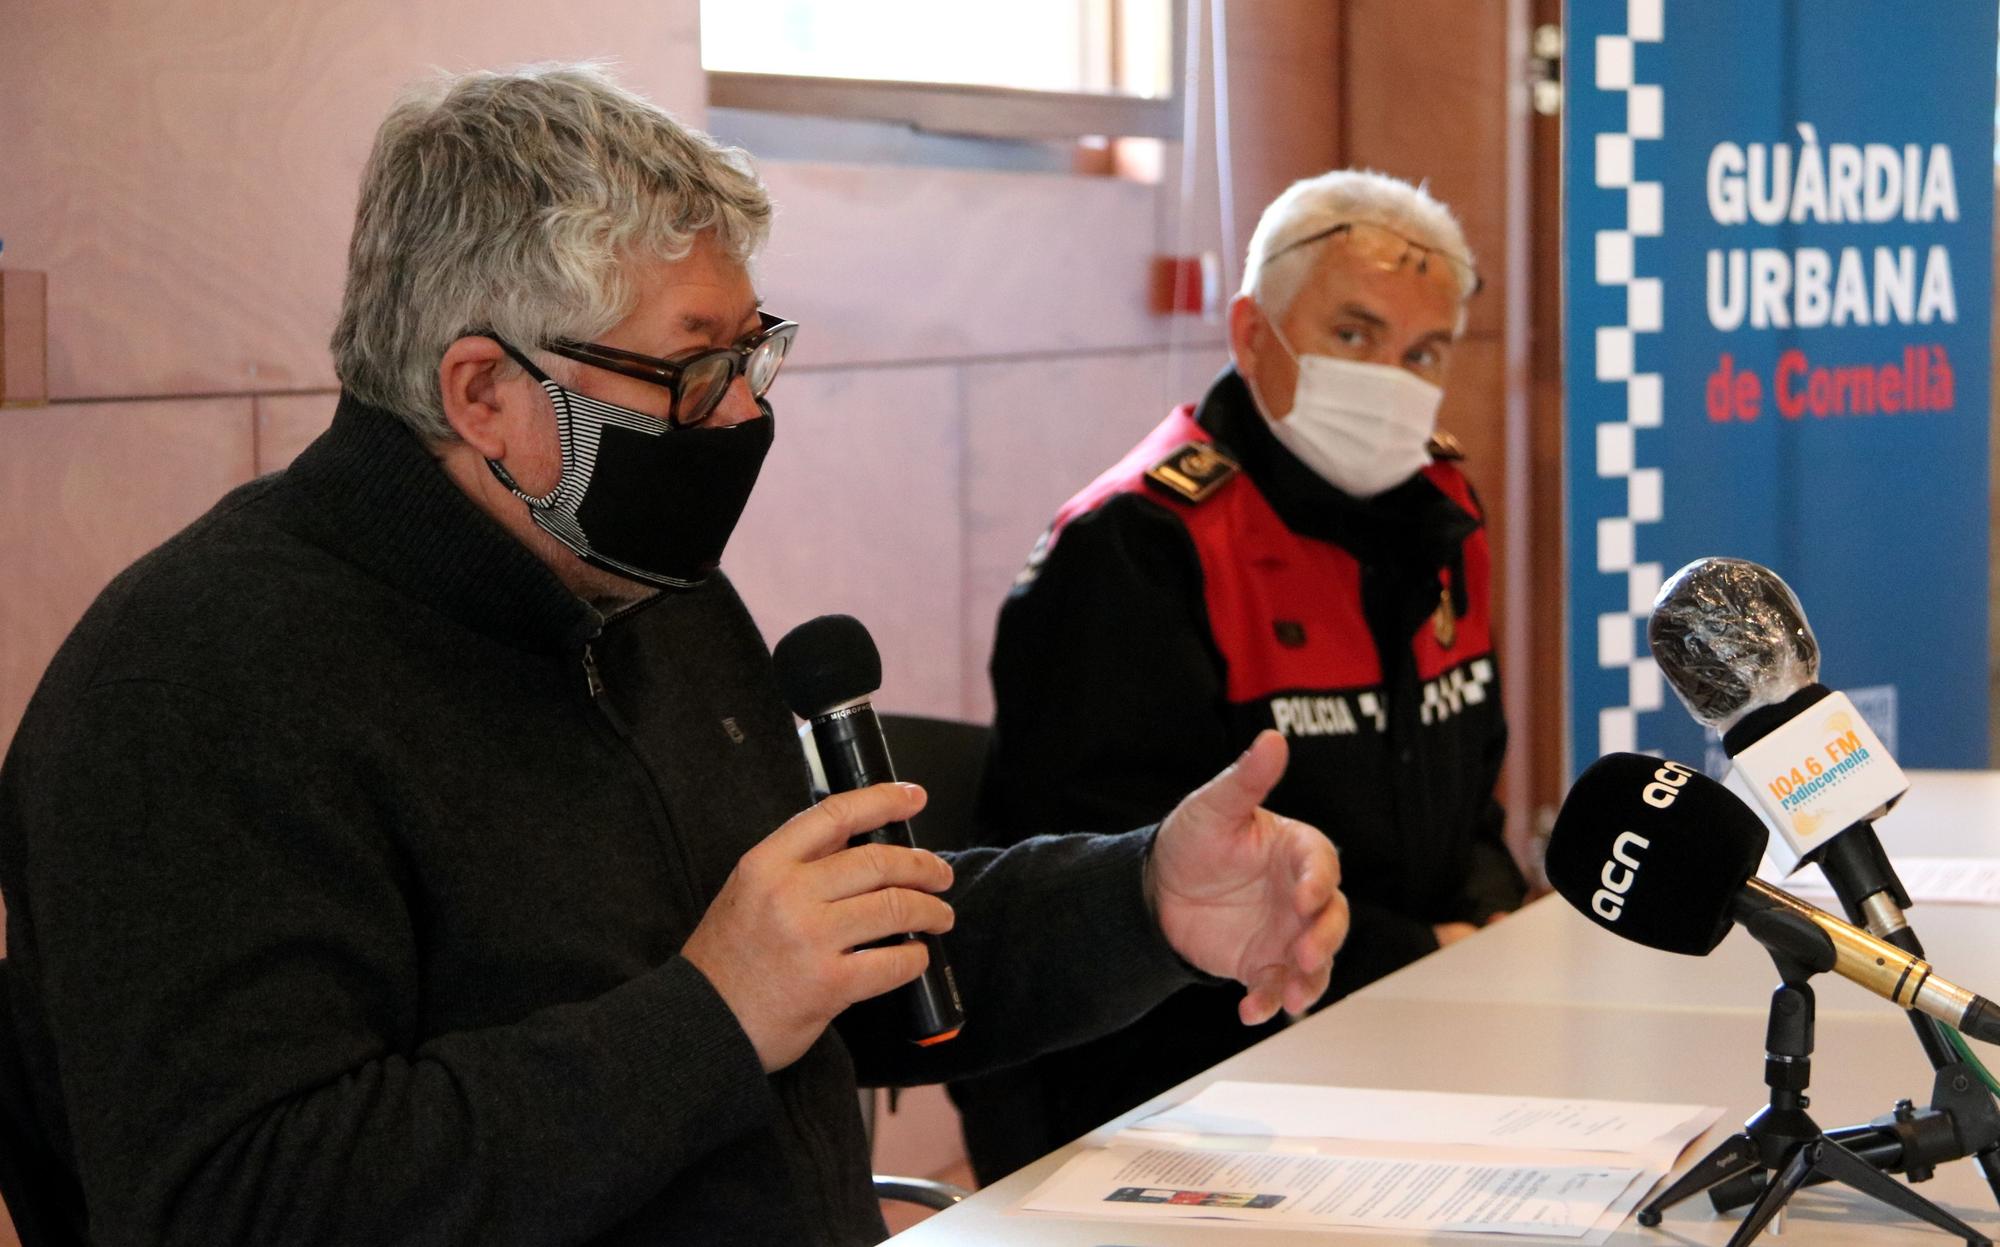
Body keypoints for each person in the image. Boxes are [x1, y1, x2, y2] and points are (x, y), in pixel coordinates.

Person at [0, 66, 1350, 1247]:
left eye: (754, 348)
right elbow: (238, 1201)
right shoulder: (198, 686)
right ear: (485, 395)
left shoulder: (647, 594)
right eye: (694, 367)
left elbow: (843, 961)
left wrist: (1145, 901)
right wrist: (712, 1015)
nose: (747, 409)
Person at [954, 170, 1525, 1183]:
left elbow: (1470, 790)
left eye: (1422, 351)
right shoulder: (1137, 542)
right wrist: (1428, 958)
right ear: (1252, 332)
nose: (1390, 378)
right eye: (1352, 334)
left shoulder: (1442, 507)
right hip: (1180, 1078)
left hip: (1414, 1032)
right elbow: (1118, 881)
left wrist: (1484, 933)